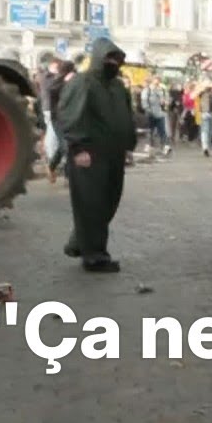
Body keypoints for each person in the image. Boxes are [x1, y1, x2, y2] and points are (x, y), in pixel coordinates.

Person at [55, 38, 137, 273]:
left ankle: (79, 243)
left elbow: (125, 116)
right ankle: (95, 256)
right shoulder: (83, 83)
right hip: (89, 154)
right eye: (110, 58)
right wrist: (78, 148)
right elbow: (70, 115)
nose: (114, 63)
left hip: (113, 153)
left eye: (118, 59)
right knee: (91, 204)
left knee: (108, 201)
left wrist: (128, 146)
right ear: (100, 58)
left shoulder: (117, 86)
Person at [45, 60, 77, 183]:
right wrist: (66, 82)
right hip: (58, 119)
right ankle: (68, 177)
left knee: (64, 145)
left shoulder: (74, 80)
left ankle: (51, 166)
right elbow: (52, 90)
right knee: (66, 146)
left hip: (70, 118)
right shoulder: (57, 82)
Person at [141, 77, 171, 155]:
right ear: (152, 81)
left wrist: (165, 102)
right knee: (150, 131)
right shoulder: (147, 90)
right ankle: (149, 145)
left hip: (160, 114)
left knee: (162, 131)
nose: (157, 83)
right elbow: (144, 102)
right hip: (150, 114)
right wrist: (148, 110)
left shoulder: (162, 90)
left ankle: (165, 146)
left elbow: (167, 101)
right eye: (155, 81)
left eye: (158, 81)